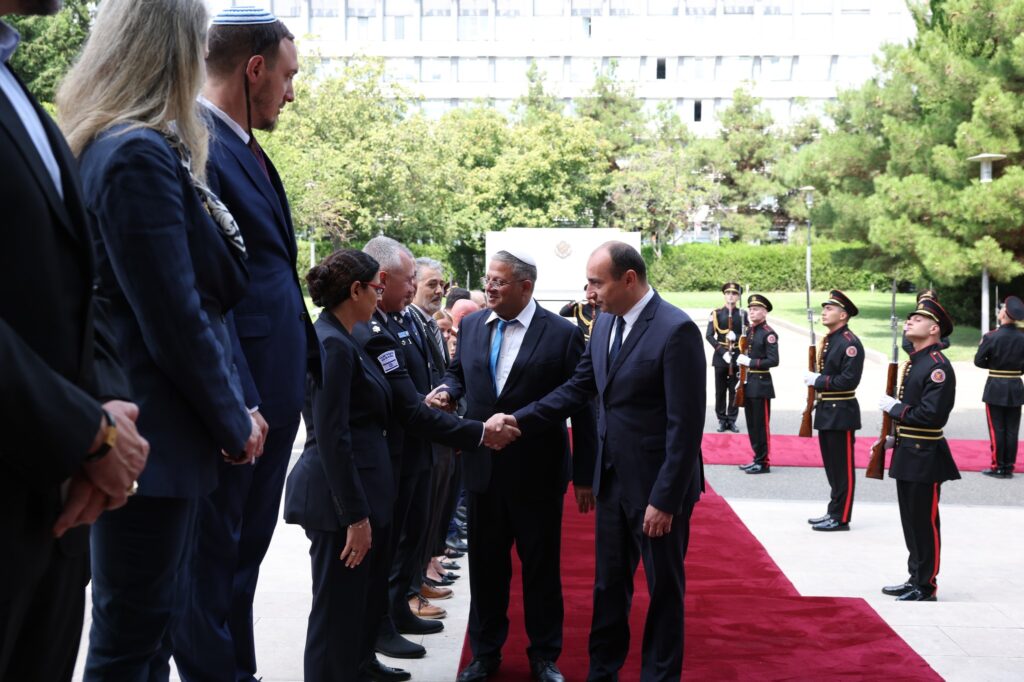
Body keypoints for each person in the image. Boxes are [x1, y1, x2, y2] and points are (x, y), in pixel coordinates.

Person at [58, 0, 264, 676]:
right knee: (133, 638)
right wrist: (233, 419)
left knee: (139, 633)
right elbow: (175, 316)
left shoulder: (117, 143)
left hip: (152, 434)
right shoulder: (138, 153)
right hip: (154, 438)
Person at [0, 2, 149, 679]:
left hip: (55, 513)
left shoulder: (17, 86)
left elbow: (82, 286)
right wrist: (87, 433)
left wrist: (112, 408)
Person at [172, 7, 319, 681]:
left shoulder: (247, 148)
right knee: (215, 561)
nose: (291, 91)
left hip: (271, 392)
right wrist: (239, 400)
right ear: (254, 68)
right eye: (287, 76)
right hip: (245, 401)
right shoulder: (197, 142)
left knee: (242, 559)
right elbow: (206, 290)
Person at [283, 249, 507, 682]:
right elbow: (333, 439)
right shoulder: (333, 343)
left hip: (357, 496)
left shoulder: (350, 338)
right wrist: (356, 517)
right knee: (333, 617)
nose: (381, 294)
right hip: (338, 504)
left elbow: (398, 412)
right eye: (376, 288)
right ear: (356, 290)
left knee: (350, 613)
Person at [495, 241, 705, 682]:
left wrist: (664, 500)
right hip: (612, 483)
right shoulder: (605, 323)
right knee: (608, 589)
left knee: (664, 592)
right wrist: (519, 419)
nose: (589, 292)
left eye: (596, 282)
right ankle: (602, 673)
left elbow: (684, 428)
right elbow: (577, 389)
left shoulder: (676, 329)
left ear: (629, 279)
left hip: (657, 489)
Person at [434, 249, 597, 682]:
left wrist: (585, 473)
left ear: (526, 286)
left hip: (537, 475)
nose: (489, 288)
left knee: (541, 570)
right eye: (488, 280)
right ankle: (486, 653)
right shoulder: (470, 325)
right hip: (484, 471)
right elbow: (458, 374)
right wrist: (449, 392)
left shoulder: (561, 334)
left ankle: (544, 655)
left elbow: (581, 405)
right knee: (486, 570)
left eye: (499, 282)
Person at [360, 237, 452, 658]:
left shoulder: (400, 321)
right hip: (395, 451)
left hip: (417, 447)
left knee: (412, 534)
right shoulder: (372, 327)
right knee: (391, 544)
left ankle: (398, 607)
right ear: (382, 279)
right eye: (408, 278)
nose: (414, 286)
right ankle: (382, 621)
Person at [878, 297, 960, 602]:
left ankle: (926, 586)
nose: (910, 321)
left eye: (918, 319)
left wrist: (896, 409)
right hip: (908, 450)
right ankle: (915, 577)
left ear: (934, 329)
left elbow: (931, 415)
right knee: (910, 521)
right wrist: (892, 438)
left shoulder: (938, 367)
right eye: (910, 318)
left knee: (924, 523)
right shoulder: (918, 361)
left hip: (925, 455)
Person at [407, 258, 463, 592]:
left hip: (438, 426)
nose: (439, 291)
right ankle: (415, 582)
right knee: (421, 512)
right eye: (432, 284)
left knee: (436, 506)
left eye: (442, 285)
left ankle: (425, 568)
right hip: (422, 428)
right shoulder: (410, 322)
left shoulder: (428, 323)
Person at [803, 290, 864, 532]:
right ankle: (833, 511)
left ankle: (841, 516)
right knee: (832, 468)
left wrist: (818, 381)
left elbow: (848, 381)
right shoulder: (830, 339)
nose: (824, 312)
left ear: (843, 314)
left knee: (842, 469)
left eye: (830, 308)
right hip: (827, 410)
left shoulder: (849, 343)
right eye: (825, 308)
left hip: (841, 411)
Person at [974, 295, 1024, 478]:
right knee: (1012, 429)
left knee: (997, 429)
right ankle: (1008, 466)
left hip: (996, 386)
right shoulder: (1022, 337)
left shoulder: (991, 337)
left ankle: (998, 466)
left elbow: (978, 361)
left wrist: (995, 365)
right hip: (1016, 386)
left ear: (1003, 315)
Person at [737, 295, 777, 474]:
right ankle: (757, 458)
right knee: (752, 425)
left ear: (765, 312)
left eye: (756, 309)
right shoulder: (750, 331)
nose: (752, 312)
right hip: (749, 383)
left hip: (761, 384)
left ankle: (764, 462)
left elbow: (773, 360)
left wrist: (750, 362)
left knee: (761, 426)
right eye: (751, 309)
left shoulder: (768, 333)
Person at [706, 282, 747, 433]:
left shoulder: (743, 315)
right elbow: (709, 336)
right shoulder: (716, 314)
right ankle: (722, 419)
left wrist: (738, 337)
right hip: (720, 357)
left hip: (737, 356)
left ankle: (732, 419)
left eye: (734, 293)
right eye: (728, 293)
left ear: (738, 296)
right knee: (720, 390)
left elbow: (748, 334)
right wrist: (722, 352)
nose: (731, 296)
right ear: (724, 295)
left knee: (735, 390)